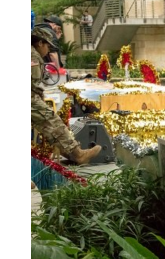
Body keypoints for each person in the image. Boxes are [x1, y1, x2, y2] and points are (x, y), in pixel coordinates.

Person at [32, 26, 101, 165]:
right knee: (51, 120)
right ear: (40, 43)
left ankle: (67, 151)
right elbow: (31, 86)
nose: (48, 51)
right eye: (48, 46)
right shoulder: (32, 56)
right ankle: (77, 154)